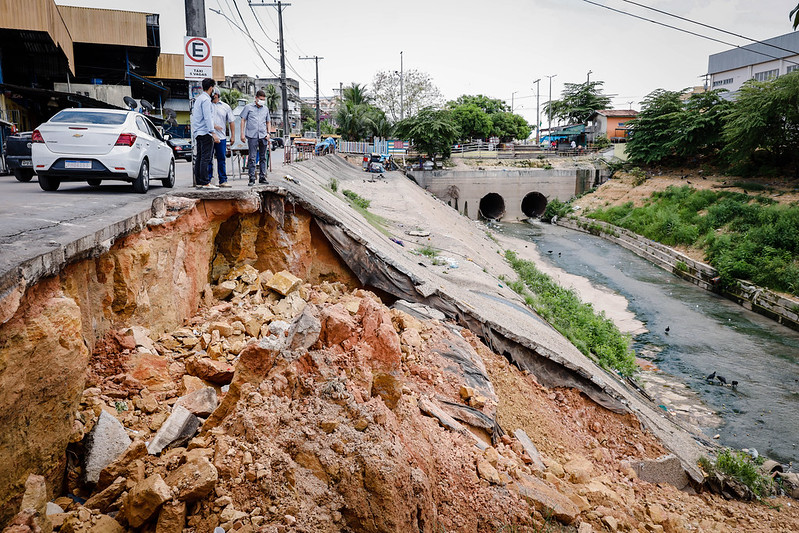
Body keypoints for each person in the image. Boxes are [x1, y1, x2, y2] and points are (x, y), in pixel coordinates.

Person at [190, 78, 220, 189]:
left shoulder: (199, 99)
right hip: (205, 132)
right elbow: (207, 117)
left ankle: (199, 181)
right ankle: (205, 182)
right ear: (211, 88)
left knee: (200, 157)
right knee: (206, 158)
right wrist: (213, 132)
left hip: (198, 132)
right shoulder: (206, 100)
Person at [239, 89, 272, 186]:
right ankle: (252, 178)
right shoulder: (248, 107)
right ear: (256, 98)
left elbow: (268, 122)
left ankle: (262, 177)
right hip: (252, 135)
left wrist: (268, 133)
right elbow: (243, 120)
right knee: (252, 157)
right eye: (260, 99)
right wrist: (242, 134)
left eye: (263, 99)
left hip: (263, 135)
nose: (262, 101)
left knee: (263, 157)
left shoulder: (265, 109)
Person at [208, 88, 235, 187]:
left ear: (217, 95)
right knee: (208, 159)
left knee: (221, 159)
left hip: (221, 137)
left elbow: (231, 121)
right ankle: (209, 180)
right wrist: (214, 126)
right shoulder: (208, 105)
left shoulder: (225, 107)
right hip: (209, 136)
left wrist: (232, 136)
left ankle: (223, 180)